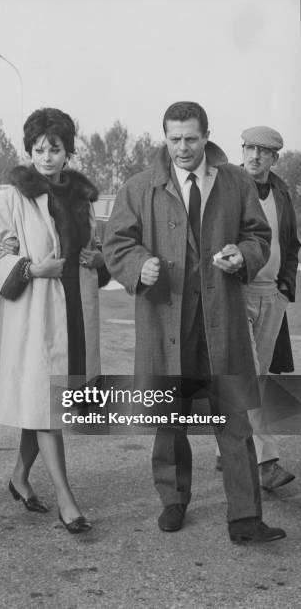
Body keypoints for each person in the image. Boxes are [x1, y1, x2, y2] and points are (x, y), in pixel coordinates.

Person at [103, 101, 286, 543]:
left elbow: (258, 235)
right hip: (164, 317)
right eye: (173, 139)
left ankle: (245, 517)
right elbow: (115, 243)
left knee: (234, 415)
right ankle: (172, 499)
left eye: (190, 138)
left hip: (220, 318)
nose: (182, 148)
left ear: (206, 136)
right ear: (163, 138)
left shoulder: (236, 182)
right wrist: (137, 265)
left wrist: (244, 254)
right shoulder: (140, 186)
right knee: (168, 411)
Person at [0, 107, 107, 534]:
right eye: (39, 149)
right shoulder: (13, 196)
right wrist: (33, 270)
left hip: (74, 306)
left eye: (55, 149)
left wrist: (96, 258)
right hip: (34, 313)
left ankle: (19, 476)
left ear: (68, 151)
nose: (47, 157)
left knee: (48, 400)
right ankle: (67, 501)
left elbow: (96, 249)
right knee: (48, 405)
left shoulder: (82, 197)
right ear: (29, 149)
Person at [216, 126, 299, 489]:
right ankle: (266, 463)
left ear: (275, 158)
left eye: (264, 151)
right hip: (237, 292)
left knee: (258, 375)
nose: (255, 156)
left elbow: (290, 241)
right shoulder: (226, 186)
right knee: (250, 374)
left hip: (271, 295)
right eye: (250, 148)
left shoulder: (282, 190)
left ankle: (225, 448)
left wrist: (285, 287)